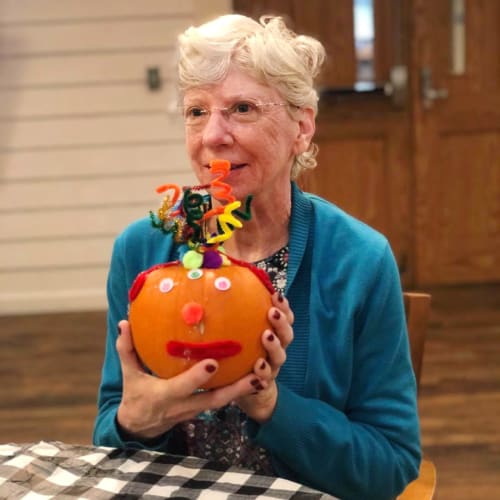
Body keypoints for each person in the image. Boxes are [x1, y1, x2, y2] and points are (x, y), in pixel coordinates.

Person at [93, 14, 421, 500]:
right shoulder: (142, 250)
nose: (212, 137)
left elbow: (390, 465)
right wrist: (134, 422)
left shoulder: (359, 260)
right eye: (196, 111)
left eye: (241, 108)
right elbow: (109, 437)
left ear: (302, 127)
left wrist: (271, 405)